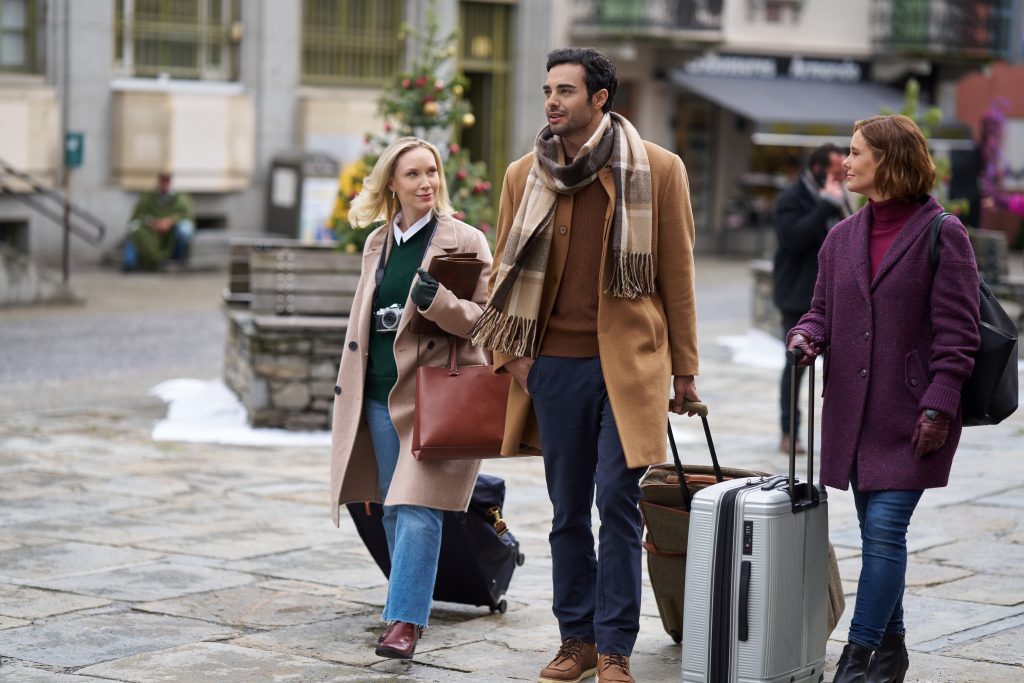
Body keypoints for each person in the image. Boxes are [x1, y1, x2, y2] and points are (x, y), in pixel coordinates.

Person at [472, 48, 700, 683]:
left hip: (630, 370)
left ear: (600, 97)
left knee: (617, 505)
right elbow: (502, 276)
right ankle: (576, 640)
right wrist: (513, 359)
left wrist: (685, 371)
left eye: (566, 90)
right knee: (567, 510)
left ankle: (615, 647)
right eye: (548, 89)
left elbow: (677, 276)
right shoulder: (525, 174)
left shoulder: (657, 168)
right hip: (552, 370)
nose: (553, 101)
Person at [786, 115, 980, 683]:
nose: (845, 163)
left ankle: (858, 657)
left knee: (886, 531)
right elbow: (819, 311)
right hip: (853, 415)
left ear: (888, 160)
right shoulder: (840, 238)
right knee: (877, 537)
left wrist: (940, 407)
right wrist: (806, 335)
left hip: (915, 416)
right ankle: (893, 653)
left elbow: (959, 334)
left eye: (855, 153)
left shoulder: (944, 234)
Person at [328, 137, 492, 660]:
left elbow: (488, 323)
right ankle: (409, 602)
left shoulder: (465, 241)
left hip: (433, 396)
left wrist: (440, 303)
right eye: (413, 175)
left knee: (418, 506)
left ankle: (403, 621)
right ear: (392, 185)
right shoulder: (378, 243)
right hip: (376, 395)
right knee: (392, 509)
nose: (427, 183)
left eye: (432, 172)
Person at [772, 143, 850, 454]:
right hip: (797, 296)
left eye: (842, 173)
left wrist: (836, 204)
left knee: (842, 369)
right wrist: (825, 206)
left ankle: (840, 432)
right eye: (834, 173)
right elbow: (794, 237)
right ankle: (789, 432)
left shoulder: (838, 197)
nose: (840, 179)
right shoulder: (792, 198)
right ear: (817, 170)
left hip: (836, 298)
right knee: (795, 366)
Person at [123, 172, 195, 271]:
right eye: (163, 181)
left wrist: (171, 221)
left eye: (167, 181)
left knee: (185, 229)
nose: (164, 184)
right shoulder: (149, 197)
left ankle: (178, 258)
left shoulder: (179, 197)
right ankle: (129, 263)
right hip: (151, 228)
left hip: (171, 229)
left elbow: (186, 214)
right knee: (133, 229)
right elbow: (139, 214)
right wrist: (153, 222)